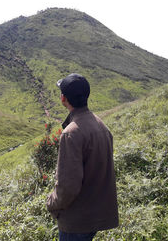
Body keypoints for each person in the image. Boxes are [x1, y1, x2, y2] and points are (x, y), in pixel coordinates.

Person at [46, 73, 119, 241]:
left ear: (63, 98)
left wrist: (51, 202)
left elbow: (68, 186)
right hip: (95, 215)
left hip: (77, 220)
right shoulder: (101, 125)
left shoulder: (71, 133)